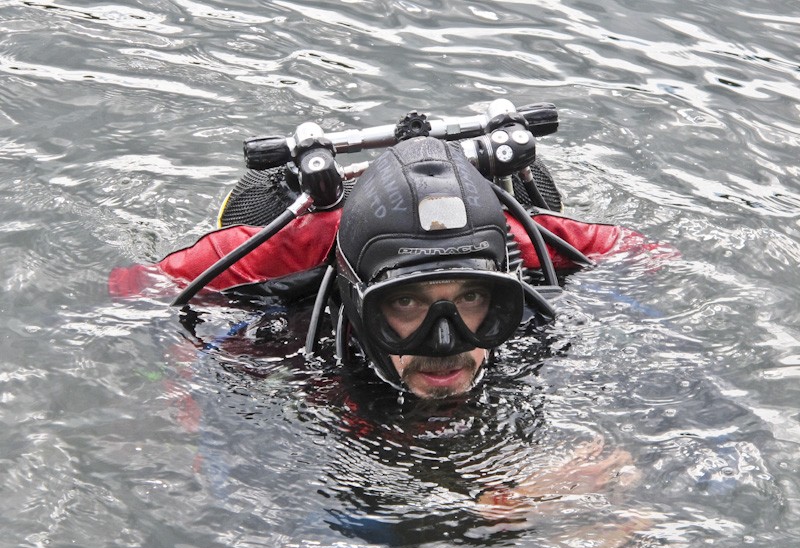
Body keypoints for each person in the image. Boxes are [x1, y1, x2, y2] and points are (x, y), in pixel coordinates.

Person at [109, 136, 660, 400]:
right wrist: (178, 384)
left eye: (473, 299)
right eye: (404, 302)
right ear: (357, 297)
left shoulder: (517, 242)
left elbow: (639, 252)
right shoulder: (297, 265)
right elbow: (140, 286)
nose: (445, 343)